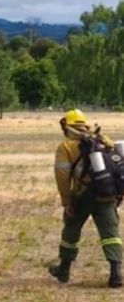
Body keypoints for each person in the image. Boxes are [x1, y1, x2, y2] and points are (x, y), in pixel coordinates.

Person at [48, 109, 122, 288]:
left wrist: (67, 201)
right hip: (107, 194)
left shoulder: (66, 147)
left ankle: (64, 269)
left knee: (71, 229)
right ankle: (116, 273)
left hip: (82, 196)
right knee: (111, 234)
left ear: (66, 126)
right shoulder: (103, 140)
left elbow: (62, 175)